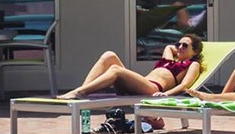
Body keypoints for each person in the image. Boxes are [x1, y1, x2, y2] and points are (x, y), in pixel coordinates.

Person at [59, 34, 204, 100]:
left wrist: (166, 94)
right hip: (140, 84)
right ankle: (83, 90)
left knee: (115, 70)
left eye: (185, 46)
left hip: (153, 88)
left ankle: (79, 92)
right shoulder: (169, 60)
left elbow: (185, 85)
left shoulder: (192, 64)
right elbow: (169, 47)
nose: (179, 47)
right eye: (178, 44)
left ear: (195, 51)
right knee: (109, 55)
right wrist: (181, 49)